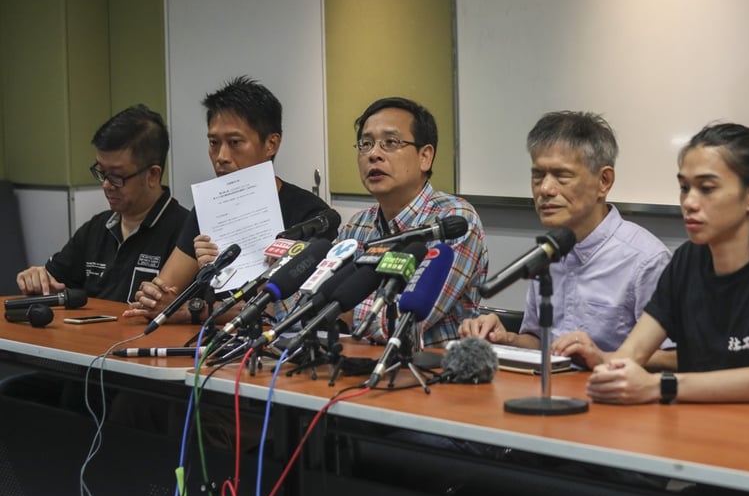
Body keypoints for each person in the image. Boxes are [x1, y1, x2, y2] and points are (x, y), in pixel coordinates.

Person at [586, 122, 749, 404]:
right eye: (684, 188)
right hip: (694, 420)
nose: (689, 202)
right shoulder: (687, 260)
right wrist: (610, 369)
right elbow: (632, 353)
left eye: (706, 188)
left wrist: (660, 385)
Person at [458, 111, 670, 365]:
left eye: (562, 176)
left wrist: (603, 358)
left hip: (613, 389)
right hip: (552, 386)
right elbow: (539, 342)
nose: (545, 189)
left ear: (604, 181)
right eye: (538, 175)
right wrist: (505, 339)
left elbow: (677, 357)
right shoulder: (548, 251)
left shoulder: (645, 260)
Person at [124, 76, 337, 324]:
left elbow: (280, 309)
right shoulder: (208, 208)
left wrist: (195, 310)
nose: (221, 156)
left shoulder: (310, 215)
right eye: (214, 143)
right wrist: (152, 296)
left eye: (235, 143)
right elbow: (166, 290)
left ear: (271, 144)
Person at [339, 97, 488, 347]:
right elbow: (311, 303)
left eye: (390, 142)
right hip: (357, 360)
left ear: (425, 157)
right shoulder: (358, 226)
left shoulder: (454, 220)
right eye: (366, 144)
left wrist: (338, 307)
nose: (373, 154)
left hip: (431, 366)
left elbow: (403, 322)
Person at [16, 104, 187, 302]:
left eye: (116, 176)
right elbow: (54, 281)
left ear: (153, 175)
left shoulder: (185, 232)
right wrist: (38, 280)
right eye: (101, 172)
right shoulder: (96, 229)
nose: (106, 185)